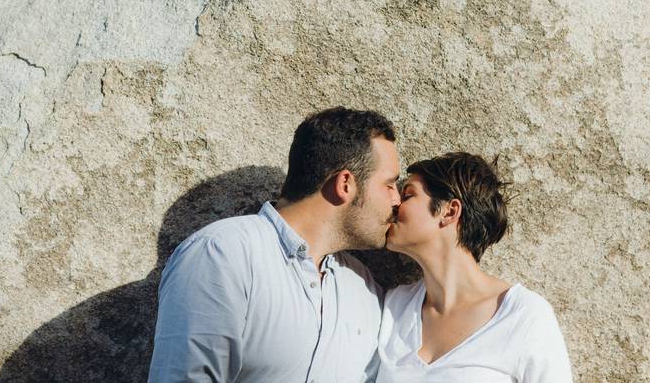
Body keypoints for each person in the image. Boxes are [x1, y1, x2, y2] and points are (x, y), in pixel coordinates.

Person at [148, 107, 403, 382]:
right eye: (389, 185)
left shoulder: (363, 286)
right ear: (345, 184)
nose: (397, 200)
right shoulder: (224, 254)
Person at [377, 152, 573, 382]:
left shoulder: (523, 315)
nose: (395, 204)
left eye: (408, 195)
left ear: (449, 212)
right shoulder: (394, 306)